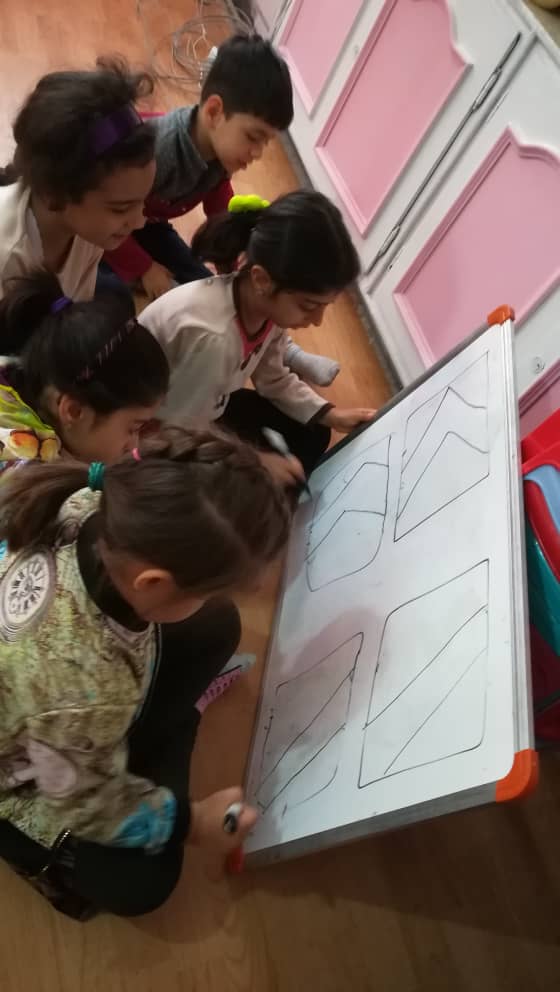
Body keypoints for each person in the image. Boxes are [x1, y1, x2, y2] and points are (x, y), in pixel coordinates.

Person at [0, 424, 290, 919]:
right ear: (152, 582)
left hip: (62, 711)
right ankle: (169, 732)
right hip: (30, 766)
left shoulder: (90, 502)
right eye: (203, 588)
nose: (207, 598)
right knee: (143, 886)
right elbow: (84, 804)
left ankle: (145, 743)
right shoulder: (83, 685)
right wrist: (193, 823)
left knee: (217, 623)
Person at [100, 33, 339, 387]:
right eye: (253, 137)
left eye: (266, 142)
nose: (257, 153)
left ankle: (285, 353)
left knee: (206, 280)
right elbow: (107, 215)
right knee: (110, 296)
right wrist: (145, 267)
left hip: (147, 224)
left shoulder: (218, 153)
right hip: (108, 229)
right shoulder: (157, 153)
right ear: (214, 112)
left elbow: (219, 206)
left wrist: (236, 250)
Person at [139, 190, 376, 483]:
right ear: (262, 279)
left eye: (324, 307)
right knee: (244, 485)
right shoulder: (214, 338)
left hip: (201, 403)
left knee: (314, 431)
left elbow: (273, 378)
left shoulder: (263, 308)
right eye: (308, 306)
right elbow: (179, 431)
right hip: (153, 430)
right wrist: (256, 460)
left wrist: (333, 415)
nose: (317, 321)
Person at [0, 58, 156, 304]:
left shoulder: (88, 231)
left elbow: (77, 306)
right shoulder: (7, 257)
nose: (139, 222)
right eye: (120, 209)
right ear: (54, 193)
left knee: (119, 297)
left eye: (141, 203)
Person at [0, 271, 169, 475]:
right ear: (74, 411)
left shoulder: (18, 376)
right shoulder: (24, 474)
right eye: (133, 429)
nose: (133, 446)